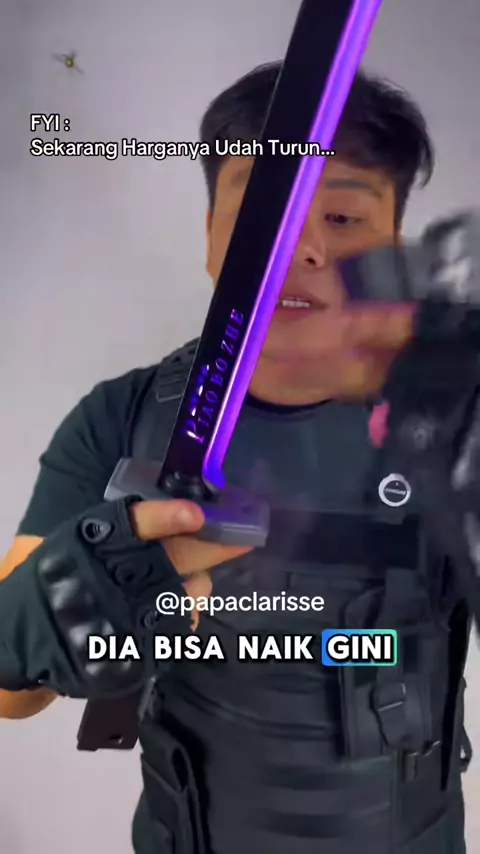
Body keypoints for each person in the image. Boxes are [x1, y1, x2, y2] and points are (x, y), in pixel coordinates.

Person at [0, 61, 470, 854]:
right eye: (265, 209)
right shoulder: (121, 418)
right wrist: (55, 609)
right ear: (211, 235)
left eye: (345, 217)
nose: (303, 246)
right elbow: (9, 696)